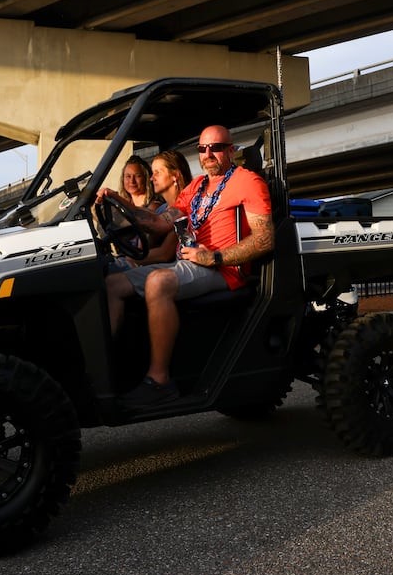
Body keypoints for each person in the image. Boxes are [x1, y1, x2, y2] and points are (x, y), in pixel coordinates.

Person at [101, 125, 275, 409]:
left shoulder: (247, 181)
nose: (208, 154)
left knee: (158, 281)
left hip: (224, 269)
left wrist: (215, 257)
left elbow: (265, 239)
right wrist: (120, 202)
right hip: (193, 262)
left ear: (230, 150)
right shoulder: (196, 187)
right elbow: (159, 221)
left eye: (216, 148)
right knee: (113, 283)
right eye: (203, 149)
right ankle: (105, 371)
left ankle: (159, 381)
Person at [137, 149, 192, 266]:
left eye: (158, 172)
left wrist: (131, 259)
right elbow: (144, 245)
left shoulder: (185, 208)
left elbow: (165, 254)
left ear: (175, 176)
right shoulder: (161, 209)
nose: (152, 178)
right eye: (152, 173)